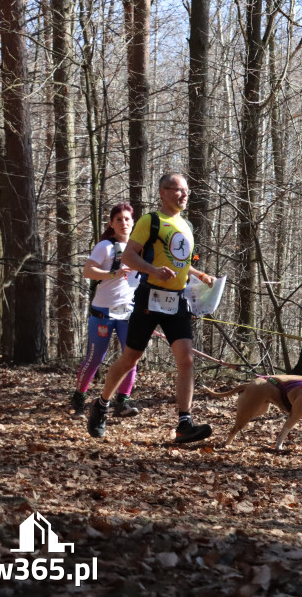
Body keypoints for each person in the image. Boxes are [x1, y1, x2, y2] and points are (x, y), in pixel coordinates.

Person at [87, 172, 217, 444]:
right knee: (130, 358)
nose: (184, 195)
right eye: (178, 190)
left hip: (177, 301)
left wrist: (201, 276)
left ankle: (184, 423)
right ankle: (101, 404)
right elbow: (129, 255)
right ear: (163, 192)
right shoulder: (150, 221)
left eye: (187, 191)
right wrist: (153, 270)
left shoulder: (186, 226)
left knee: (187, 359)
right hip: (149, 299)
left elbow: (180, 261)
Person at [71, 202, 140, 418]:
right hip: (103, 311)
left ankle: (122, 402)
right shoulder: (106, 247)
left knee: (131, 357)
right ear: (111, 223)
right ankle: (78, 400)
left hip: (128, 313)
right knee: (95, 358)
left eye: (127, 219)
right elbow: (88, 271)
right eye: (118, 219)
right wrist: (114, 273)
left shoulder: (140, 249)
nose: (123, 223)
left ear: (133, 221)